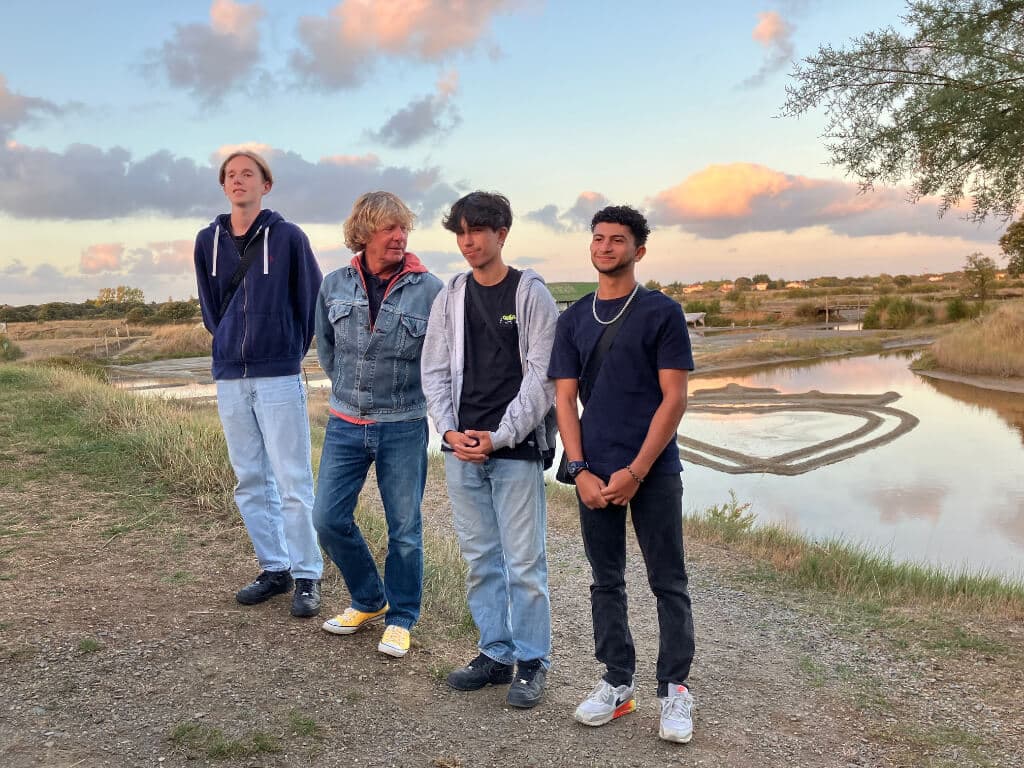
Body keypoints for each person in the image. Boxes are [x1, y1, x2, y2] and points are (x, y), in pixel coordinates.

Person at [547, 205, 697, 743]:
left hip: (652, 471)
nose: (605, 247)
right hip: (594, 471)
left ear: (639, 250)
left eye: (617, 240)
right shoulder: (573, 318)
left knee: (667, 582)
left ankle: (675, 689)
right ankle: (617, 683)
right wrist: (579, 467)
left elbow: (674, 400)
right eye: (599, 239)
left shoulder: (662, 312)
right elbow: (564, 399)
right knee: (605, 580)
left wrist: (637, 469)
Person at [422, 191, 557, 708]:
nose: (468, 241)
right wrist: (450, 431)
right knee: (481, 560)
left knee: (524, 564)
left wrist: (500, 436)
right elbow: (433, 368)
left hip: (515, 449)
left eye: (477, 230)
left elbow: (543, 379)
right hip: (461, 448)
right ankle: (495, 653)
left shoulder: (530, 294)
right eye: (460, 232)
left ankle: (531, 661)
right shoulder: (450, 295)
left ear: (502, 233)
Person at [193, 149, 324, 618]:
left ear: (265, 185)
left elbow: (310, 301)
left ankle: (308, 574)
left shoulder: (288, 237)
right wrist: (228, 341)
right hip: (230, 376)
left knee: (292, 480)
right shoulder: (206, 240)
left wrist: (286, 347)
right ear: (223, 185)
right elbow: (212, 307)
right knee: (249, 479)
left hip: (279, 375)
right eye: (230, 175)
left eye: (247, 174)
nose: (238, 181)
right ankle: (275, 568)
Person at [313, 191, 442, 658]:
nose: (399, 236)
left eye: (403, 228)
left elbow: (440, 362)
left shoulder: (431, 290)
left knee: (404, 527)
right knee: (326, 518)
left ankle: (402, 616)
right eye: (389, 228)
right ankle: (369, 598)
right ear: (364, 232)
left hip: (404, 424)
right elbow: (327, 349)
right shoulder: (333, 284)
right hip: (345, 422)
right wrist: (350, 390)